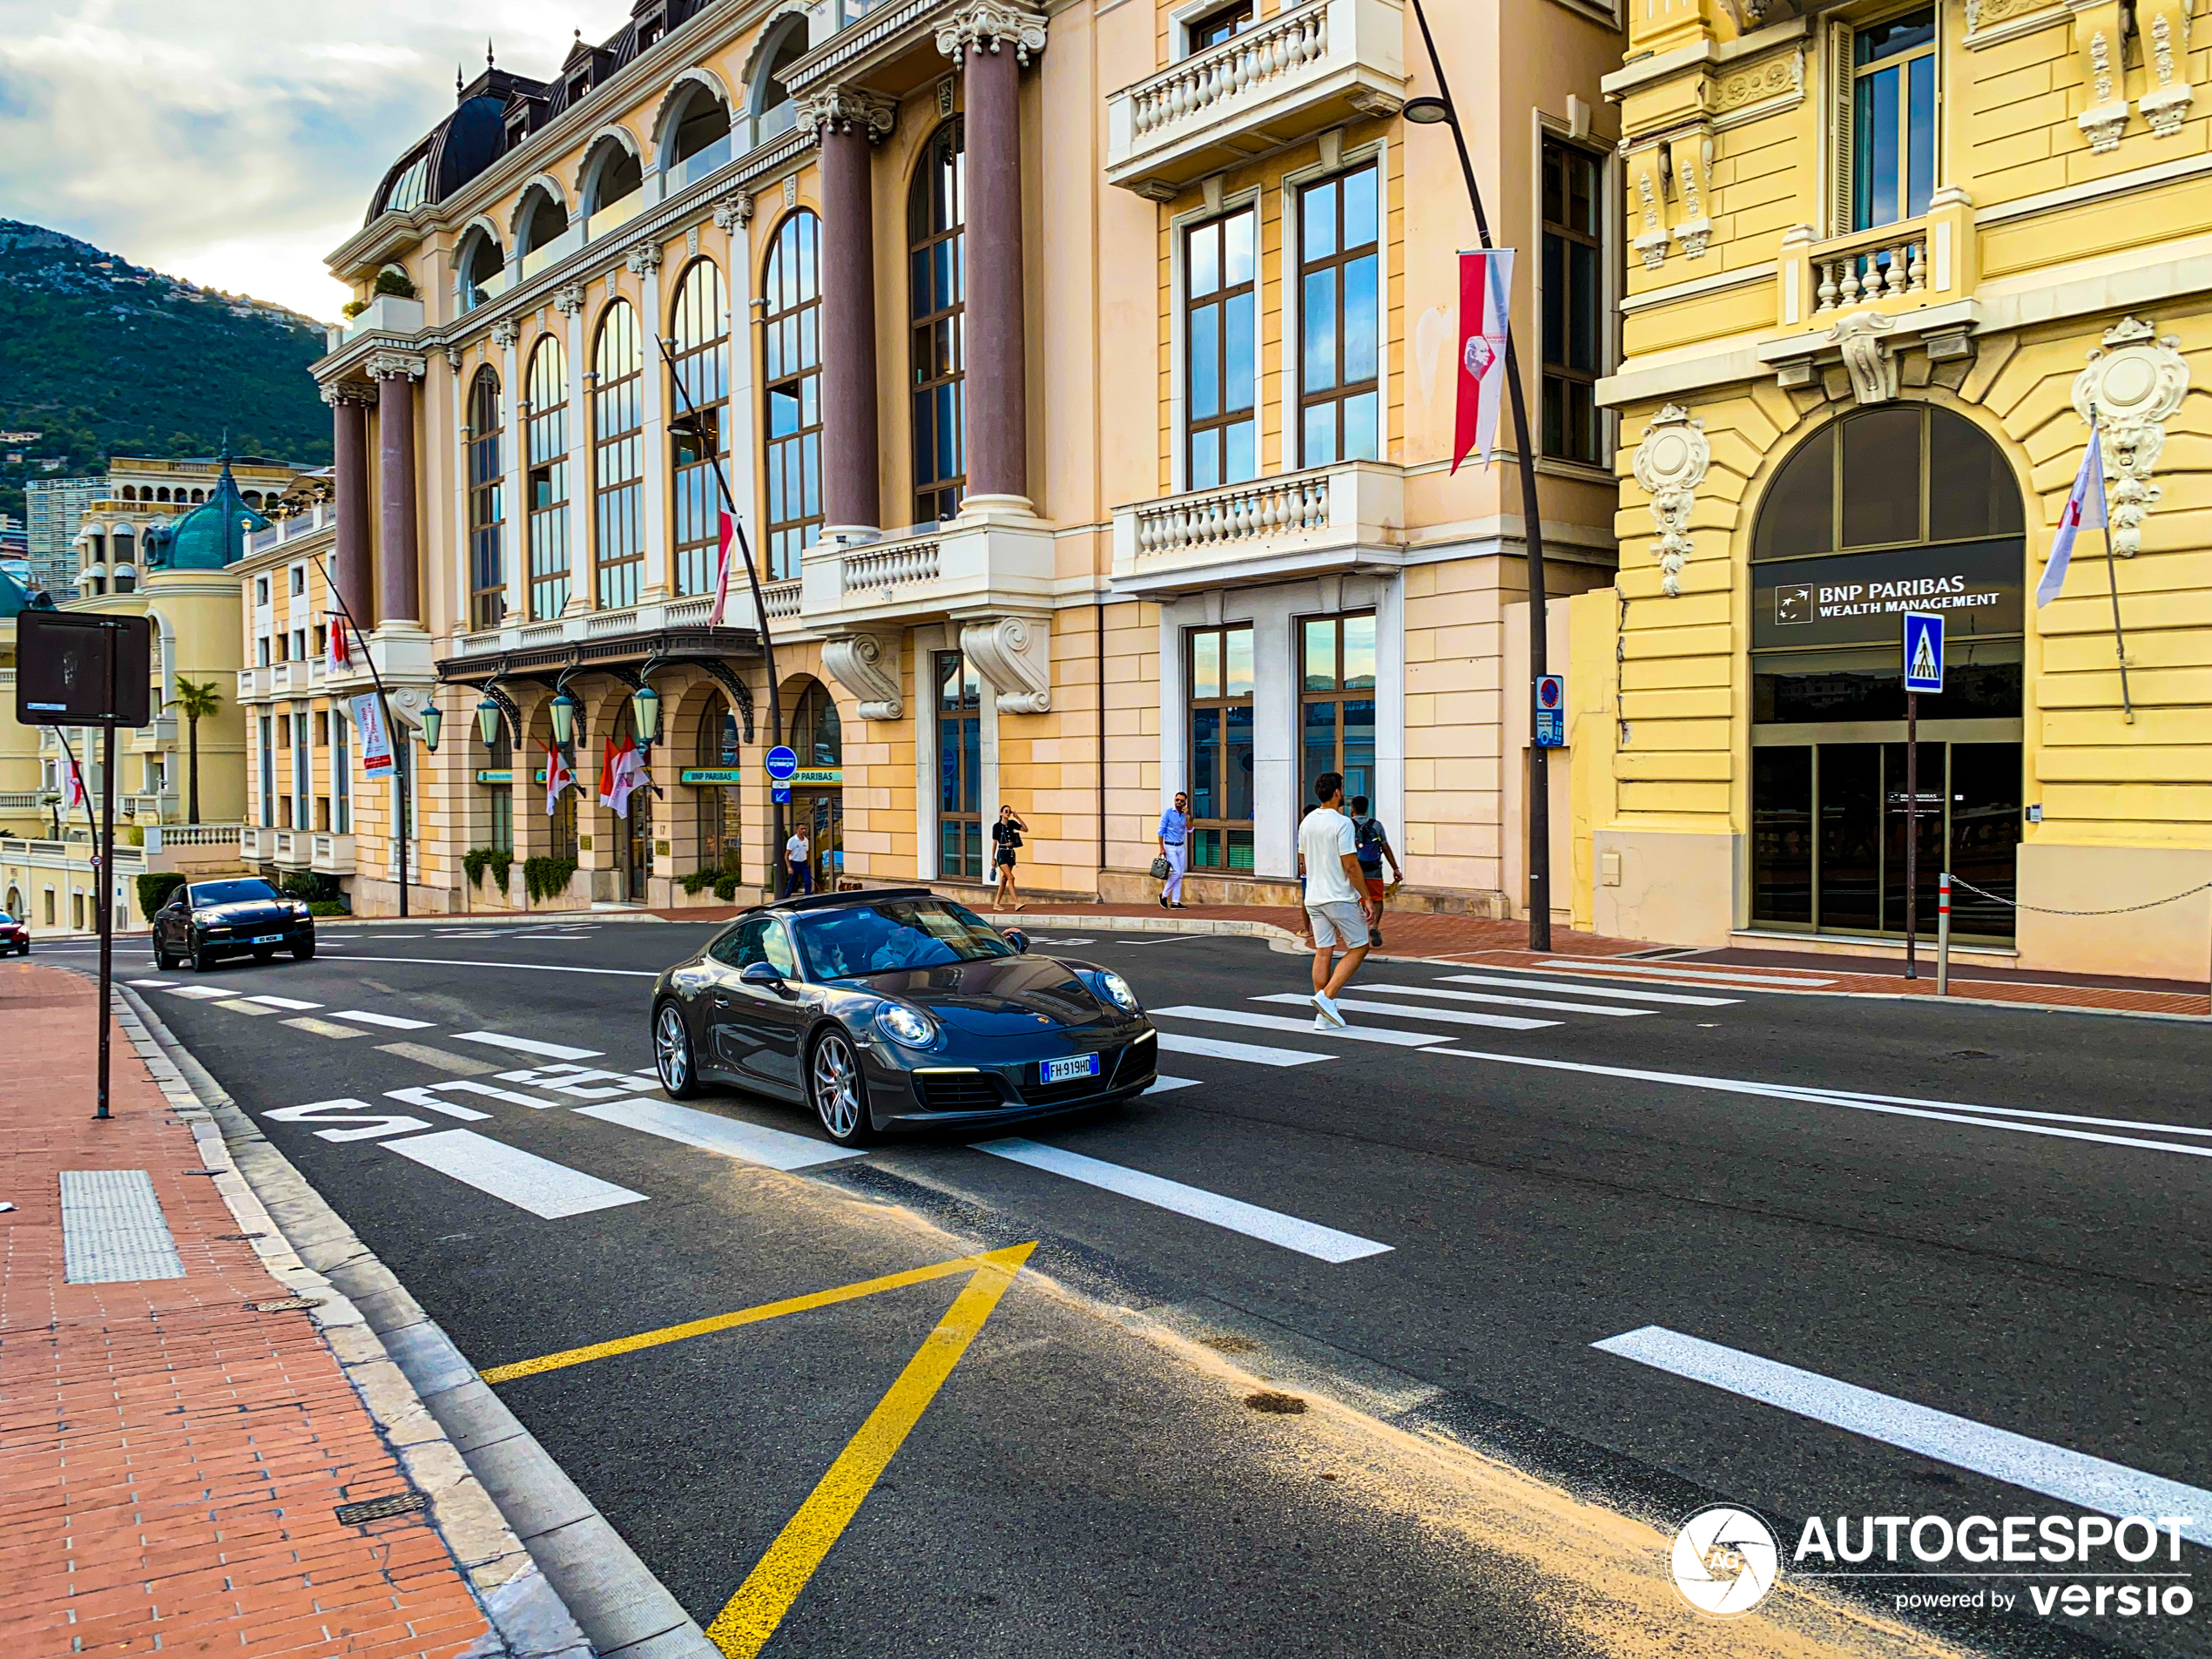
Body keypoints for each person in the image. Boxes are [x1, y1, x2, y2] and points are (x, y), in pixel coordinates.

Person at [1296, 770, 1376, 1028]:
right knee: (1360, 946)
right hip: (1338, 896)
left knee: (1324, 950)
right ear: (1338, 792)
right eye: (1342, 788)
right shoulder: (1342, 823)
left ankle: (1322, 1016)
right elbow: (1351, 865)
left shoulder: (1307, 822)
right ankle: (1327, 998)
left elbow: (1302, 861)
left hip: (1314, 897)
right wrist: (1366, 897)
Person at [1347, 795, 1404, 948]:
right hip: (1374, 868)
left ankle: (1357, 930)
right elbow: (1385, 847)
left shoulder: (1347, 825)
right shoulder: (1376, 825)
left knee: (1355, 900)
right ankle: (1374, 926)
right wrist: (1395, 868)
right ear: (1367, 808)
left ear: (1352, 809)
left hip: (1354, 869)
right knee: (1377, 899)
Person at [1157, 792, 1190, 909]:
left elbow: (1190, 829)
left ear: (1185, 802)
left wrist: (1187, 816)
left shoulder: (1184, 815)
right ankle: (1163, 895)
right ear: (1174, 800)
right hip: (1170, 846)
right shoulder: (1168, 813)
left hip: (1180, 846)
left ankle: (1176, 901)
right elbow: (1161, 831)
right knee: (1176, 872)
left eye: (1181, 801)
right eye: (1177, 800)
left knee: (1180, 875)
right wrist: (1161, 848)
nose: (1179, 803)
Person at [991, 806, 1028, 910]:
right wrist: (993, 858)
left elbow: (1025, 829)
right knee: (1011, 877)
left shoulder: (1012, 824)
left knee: (1004, 879)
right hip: (1002, 853)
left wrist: (1018, 817)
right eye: (1006, 811)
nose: (1008, 813)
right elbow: (994, 843)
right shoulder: (997, 826)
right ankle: (1016, 903)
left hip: (1010, 853)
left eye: (1009, 811)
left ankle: (996, 904)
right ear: (1001, 813)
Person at [785, 822, 813, 895]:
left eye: (804, 829)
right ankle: (785, 898)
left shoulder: (806, 840)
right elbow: (786, 855)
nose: (804, 830)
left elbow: (807, 852)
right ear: (797, 830)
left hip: (803, 863)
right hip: (794, 863)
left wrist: (808, 863)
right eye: (802, 829)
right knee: (792, 884)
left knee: (808, 882)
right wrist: (789, 867)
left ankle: (807, 898)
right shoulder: (792, 840)